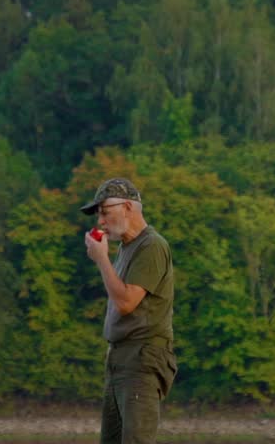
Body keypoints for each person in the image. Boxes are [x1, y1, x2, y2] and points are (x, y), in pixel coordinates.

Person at [82, 177, 177, 444]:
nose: (100, 221)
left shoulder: (152, 246)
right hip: (120, 359)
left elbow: (126, 303)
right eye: (98, 214)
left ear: (127, 207)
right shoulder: (126, 248)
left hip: (142, 359)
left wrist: (101, 258)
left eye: (104, 212)